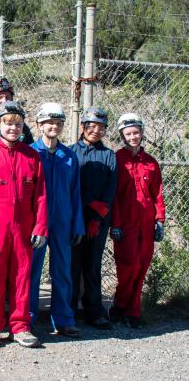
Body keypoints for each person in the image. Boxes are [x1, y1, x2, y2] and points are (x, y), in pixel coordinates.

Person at [0, 101, 47, 348]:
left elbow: (41, 196)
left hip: (24, 228)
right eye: (8, 123)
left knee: (22, 276)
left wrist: (40, 228)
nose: (13, 128)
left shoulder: (32, 156)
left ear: (23, 126)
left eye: (17, 123)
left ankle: (21, 326)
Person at [29, 103, 85, 337]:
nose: (54, 126)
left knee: (62, 270)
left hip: (63, 220)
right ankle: (27, 318)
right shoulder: (30, 153)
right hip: (37, 221)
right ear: (40, 125)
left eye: (59, 123)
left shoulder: (69, 156)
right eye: (49, 122)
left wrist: (77, 224)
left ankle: (63, 319)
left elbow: (75, 193)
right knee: (32, 270)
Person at [109, 113, 165, 329]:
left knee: (142, 266)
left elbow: (157, 192)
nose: (133, 136)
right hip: (125, 223)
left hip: (146, 221)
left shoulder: (150, 162)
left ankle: (133, 312)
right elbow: (112, 194)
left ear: (141, 133)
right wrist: (115, 224)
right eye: (128, 133)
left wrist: (159, 219)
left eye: (136, 132)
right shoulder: (117, 159)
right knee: (128, 266)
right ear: (122, 135)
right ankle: (120, 305)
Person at [70, 107, 117, 330]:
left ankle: (94, 311)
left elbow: (110, 189)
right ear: (83, 127)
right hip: (75, 217)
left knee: (92, 265)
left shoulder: (109, 156)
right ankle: (69, 310)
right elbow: (72, 186)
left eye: (101, 128)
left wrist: (97, 217)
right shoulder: (71, 153)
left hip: (98, 221)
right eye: (92, 126)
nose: (96, 131)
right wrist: (88, 203)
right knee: (73, 264)